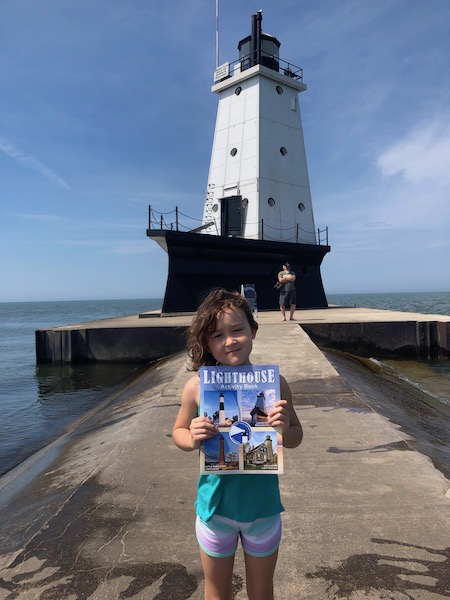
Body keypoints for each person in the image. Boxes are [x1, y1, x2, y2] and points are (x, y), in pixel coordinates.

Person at [173, 287, 303, 600]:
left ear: (253, 331)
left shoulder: (275, 384)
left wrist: (284, 427)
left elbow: (296, 436)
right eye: (217, 335)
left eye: (237, 330)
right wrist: (191, 437)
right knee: (217, 592)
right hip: (215, 510)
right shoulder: (195, 387)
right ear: (206, 342)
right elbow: (177, 431)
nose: (229, 341)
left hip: (263, 510)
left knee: (261, 592)